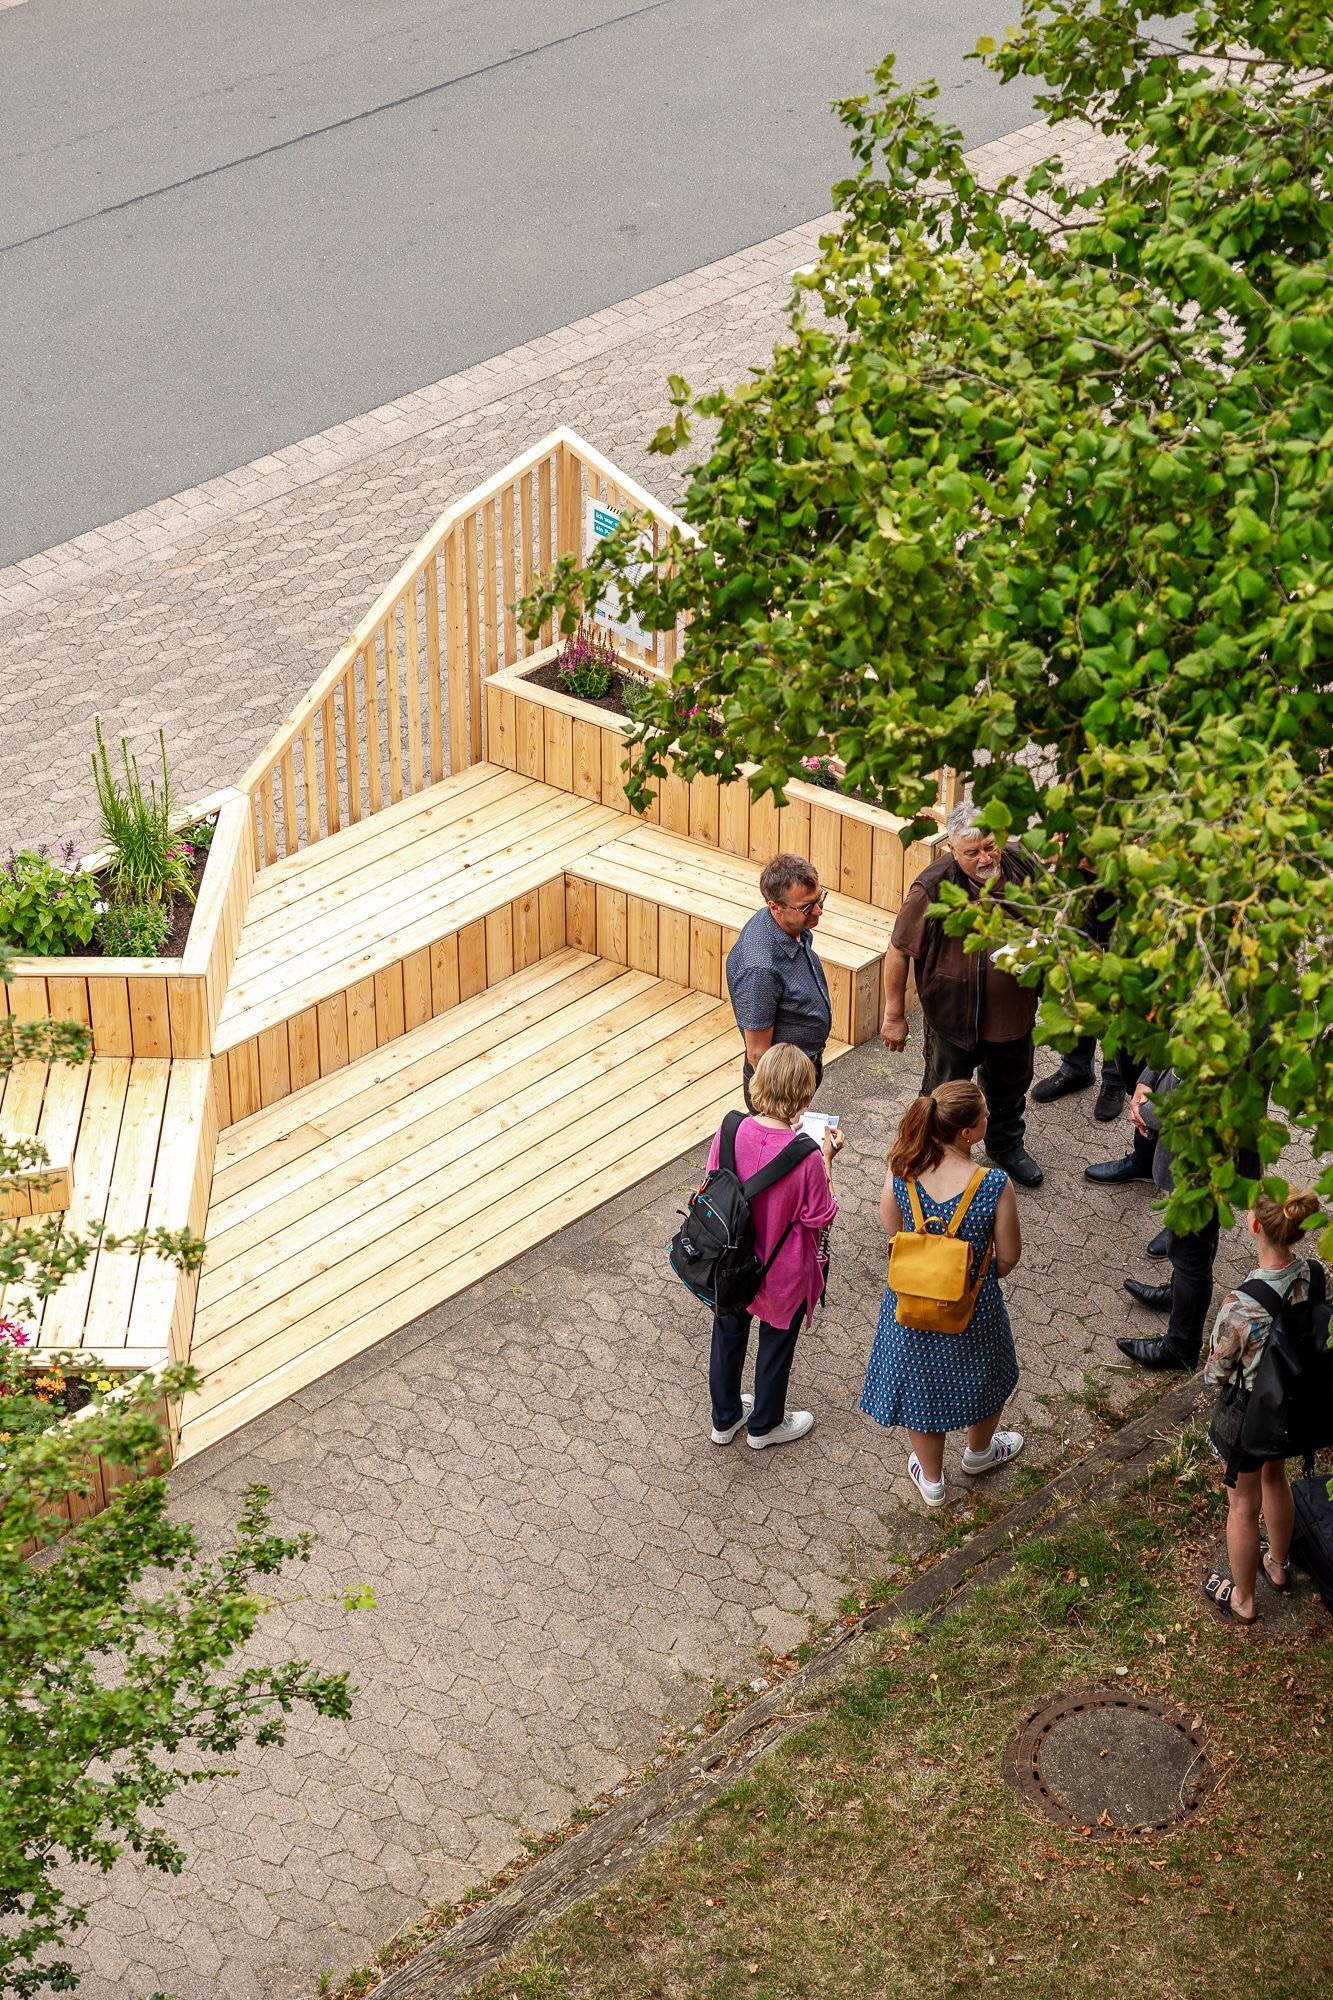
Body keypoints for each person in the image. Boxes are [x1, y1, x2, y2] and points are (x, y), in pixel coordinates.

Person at [860, 1081, 1024, 1508]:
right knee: (987, 1377)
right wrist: (978, 1272)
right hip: (973, 1305)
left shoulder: (903, 1169)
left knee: (921, 1387)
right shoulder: (993, 1184)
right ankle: (980, 1453)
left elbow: (890, 1227)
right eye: (985, 1114)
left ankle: (931, 1480)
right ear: (967, 1133)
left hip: (910, 1303)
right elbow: (1008, 1257)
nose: (989, 1117)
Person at [880, 805, 1044, 1187]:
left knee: (1010, 1085)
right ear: (952, 850)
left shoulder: (1022, 864)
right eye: (972, 853)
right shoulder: (932, 889)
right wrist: (893, 1016)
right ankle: (929, 1156)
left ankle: (1005, 1146)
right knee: (941, 1096)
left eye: (990, 846)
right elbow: (899, 950)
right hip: (953, 1022)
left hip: (1013, 1016)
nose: (985, 858)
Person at [706, 1043, 841, 1450]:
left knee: (727, 1334)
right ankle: (765, 1425)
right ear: (805, 1096)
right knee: (776, 1345)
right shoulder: (807, 1156)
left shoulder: (729, 1129)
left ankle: (724, 1419)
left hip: (731, 1263)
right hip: (782, 1273)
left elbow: (713, 1185)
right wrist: (829, 1159)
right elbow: (822, 1216)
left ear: (758, 1082)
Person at [1201, 1188, 1326, 1623]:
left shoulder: (1241, 1304)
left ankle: (1244, 1600)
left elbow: (1215, 1373)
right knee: (1277, 1477)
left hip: (1250, 1417)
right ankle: (1277, 1563)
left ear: (1254, 1226)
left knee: (1241, 1504)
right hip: (1293, 1406)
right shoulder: (1315, 1273)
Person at [1115, 1069, 1259, 1370]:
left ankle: (1180, 1346)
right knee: (1192, 1241)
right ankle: (1178, 1295)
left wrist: (1146, 1110)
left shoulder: (1244, 1032)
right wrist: (1146, 1080)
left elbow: (1203, 1103)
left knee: (1191, 1249)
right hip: (1193, 1148)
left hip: (1209, 1154)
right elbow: (1174, 1034)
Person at [726, 854, 834, 1113]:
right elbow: (758, 1055)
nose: (818, 910)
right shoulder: (760, 968)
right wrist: (788, 1110)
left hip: (800, 1071)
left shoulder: (786, 924)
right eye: (807, 907)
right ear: (775, 907)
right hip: (781, 1089)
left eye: (819, 899)